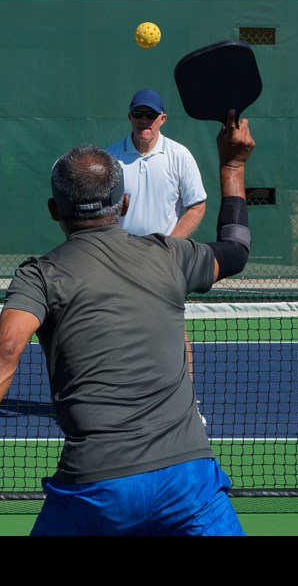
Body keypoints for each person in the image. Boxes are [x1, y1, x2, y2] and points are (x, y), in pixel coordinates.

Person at [0, 112, 255, 535]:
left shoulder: (40, 275)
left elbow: (5, 350)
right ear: (126, 203)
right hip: (188, 484)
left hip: (95, 490)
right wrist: (232, 167)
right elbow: (236, 249)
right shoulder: (170, 256)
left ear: (52, 210)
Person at [106, 89, 209, 426]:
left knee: (173, 333)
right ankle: (120, 406)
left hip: (165, 262)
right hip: (120, 263)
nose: (144, 122)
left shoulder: (179, 156)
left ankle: (186, 408)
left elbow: (197, 205)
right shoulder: (110, 160)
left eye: (151, 115)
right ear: (130, 117)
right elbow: (102, 211)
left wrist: (171, 245)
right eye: (139, 115)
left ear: (162, 119)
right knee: (116, 333)